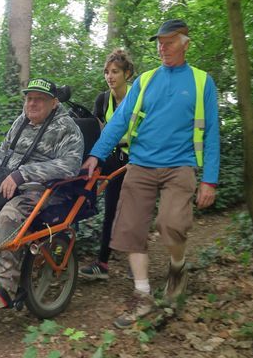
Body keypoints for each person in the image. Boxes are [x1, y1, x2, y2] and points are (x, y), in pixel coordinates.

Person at [82, 19, 220, 328]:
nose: (163, 46)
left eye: (170, 41)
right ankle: (142, 295)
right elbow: (118, 122)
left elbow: (211, 133)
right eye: (160, 41)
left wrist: (209, 179)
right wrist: (96, 154)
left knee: (171, 224)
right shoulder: (145, 81)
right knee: (130, 230)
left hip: (180, 165)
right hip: (141, 164)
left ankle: (177, 267)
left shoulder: (201, 82)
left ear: (186, 42)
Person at [0, 78, 84, 309]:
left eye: (39, 99)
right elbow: (3, 150)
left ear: (53, 103)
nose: (32, 104)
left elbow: (70, 165)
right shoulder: (22, 121)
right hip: (7, 185)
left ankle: (4, 284)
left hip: (43, 191)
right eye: (29, 98)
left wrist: (24, 174)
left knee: (9, 215)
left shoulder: (67, 128)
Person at [79, 49, 135, 280]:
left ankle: (135, 261)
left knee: (134, 210)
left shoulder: (139, 95)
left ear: (127, 74)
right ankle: (102, 263)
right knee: (110, 208)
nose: (110, 77)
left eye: (115, 72)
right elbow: (97, 131)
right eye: (107, 72)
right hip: (111, 158)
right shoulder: (103, 99)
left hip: (137, 160)